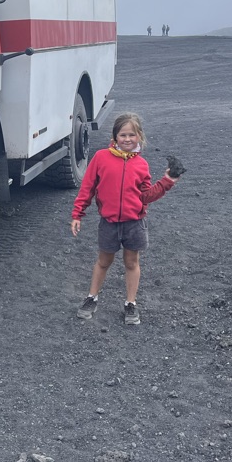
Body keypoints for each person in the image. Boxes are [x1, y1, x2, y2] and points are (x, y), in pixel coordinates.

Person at [70, 112, 179, 326]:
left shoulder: (141, 165)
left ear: (139, 136)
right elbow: (87, 188)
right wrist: (77, 214)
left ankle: (131, 303)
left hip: (134, 223)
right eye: (123, 135)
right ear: (115, 136)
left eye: (132, 135)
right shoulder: (101, 157)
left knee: (131, 262)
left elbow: (146, 195)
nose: (127, 139)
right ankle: (91, 297)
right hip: (109, 222)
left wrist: (167, 181)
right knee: (104, 261)